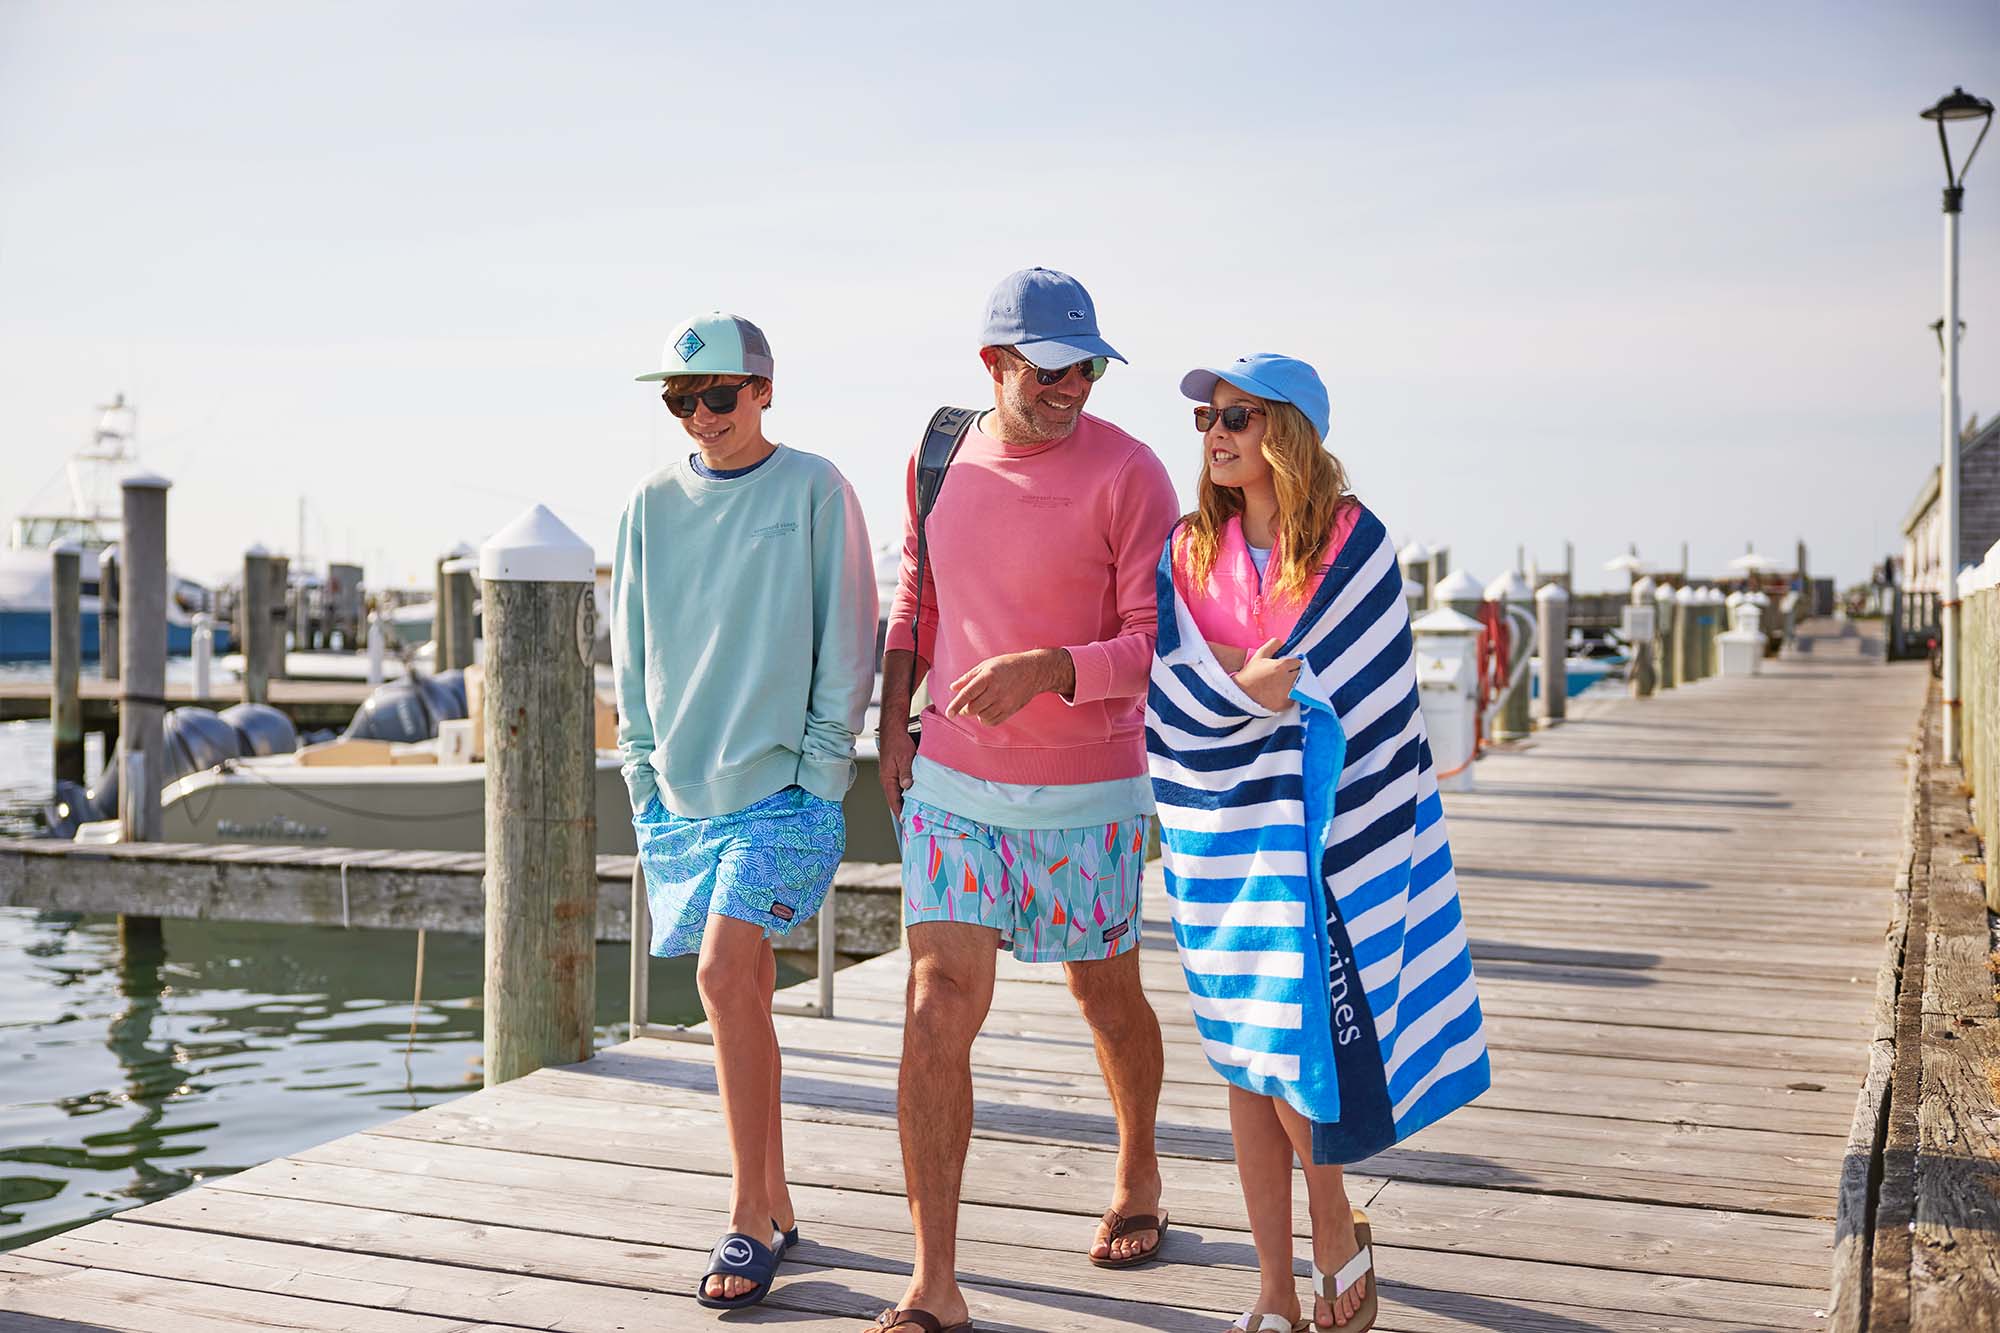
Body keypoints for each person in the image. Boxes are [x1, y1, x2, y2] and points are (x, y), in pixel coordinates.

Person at [1146, 355, 1491, 1332]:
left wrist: (1243, 684)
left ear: (1286, 431)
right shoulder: (1184, 550)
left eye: (1237, 416)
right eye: (1207, 417)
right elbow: (1167, 678)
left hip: (1322, 835)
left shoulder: (1349, 539)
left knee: (1294, 1057)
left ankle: (1331, 1228)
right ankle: (1270, 1284)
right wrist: (1234, 685)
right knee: (1242, 1062)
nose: (1215, 432)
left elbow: (1334, 677)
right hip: (1219, 837)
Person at [871, 269, 1182, 1333]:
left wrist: (1051, 668)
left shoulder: (1132, 474)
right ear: (993, 363)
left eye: (1086, 367)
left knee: (1104, 999)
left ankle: (1138, 1167)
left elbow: (1156, 647)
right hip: (952, 779)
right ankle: (933, 1282)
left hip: (1087, 788)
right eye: (1050, 370)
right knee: (935, 1002)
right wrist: (888, 720)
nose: (1072, 388)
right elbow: (917, 594)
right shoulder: (940, 455)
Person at [612, 312, 878, 1311]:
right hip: (679, 797)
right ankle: (775, 1195)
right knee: (742, 993)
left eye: (717, 396)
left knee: (724, 973)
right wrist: (640, 774)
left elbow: (848, 630)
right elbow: (628, 647)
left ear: (763, 388)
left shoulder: (814, 487)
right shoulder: (647, 503)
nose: (701, 417)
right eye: (682, 400)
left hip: (781, 792)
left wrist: (819, 770)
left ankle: (746, 1214)